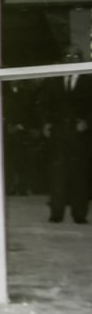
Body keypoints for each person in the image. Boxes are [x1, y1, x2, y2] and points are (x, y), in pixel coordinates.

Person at [38, 46, 91, 224]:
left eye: (75, 56)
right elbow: (43, 103)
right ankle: (56, 212)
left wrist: (88, 122)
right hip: (58, 132)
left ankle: (79, 214)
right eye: (67, 56)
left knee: (79, 173)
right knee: (57, 173)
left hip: (80, 132)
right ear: (62, 59)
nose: (71, 59)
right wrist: (45, 123)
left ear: (81, 59)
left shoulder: (88, 80)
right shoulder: (53, 80)